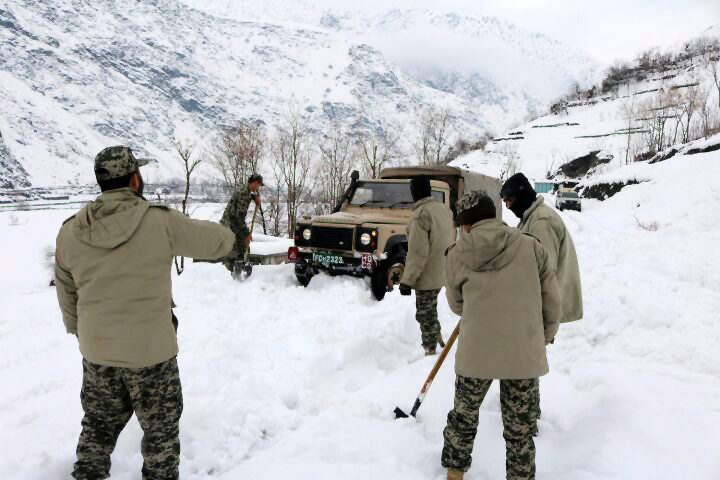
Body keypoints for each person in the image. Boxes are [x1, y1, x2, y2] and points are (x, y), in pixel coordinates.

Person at [54, 146, 235, 480]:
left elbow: (67, 293)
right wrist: (229, 232)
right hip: (152, 354)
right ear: (134, 178)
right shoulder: (159, 222)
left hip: (97, 351)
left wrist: (81, 332)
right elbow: (219, 243)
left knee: (97, 426)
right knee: (161, 435)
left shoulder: (70, 232)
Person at [442, 190, 562, 480]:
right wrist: (540, 338)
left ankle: (455, 473)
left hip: (475, 354)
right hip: (522, 353)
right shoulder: (531, 247)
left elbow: (457, 304)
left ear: (467, 224)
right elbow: (552, 302)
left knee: (464, 416)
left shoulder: (457, 254)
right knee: (519, 430)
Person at [500, 173, 583, 430]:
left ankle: (525, 423)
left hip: (536, 308)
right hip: (532, 306)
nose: (507, 206)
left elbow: (541, 273)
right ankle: (529, 415)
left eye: (510, 200)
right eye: (504, 201)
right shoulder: (531, 218)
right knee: (527, 363)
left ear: (522, 195)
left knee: (524, 364)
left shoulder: (541, 222)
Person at [399, 176, 455, 355]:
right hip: (441, 271)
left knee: (424, 314)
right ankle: (437, 337)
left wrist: (408, 280)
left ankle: (430, 351)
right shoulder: (443, 210)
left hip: (427, 274)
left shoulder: (421, 215)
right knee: (430, 309)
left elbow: (417, 252)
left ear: (415, 191)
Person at [220, 174, 263, 273]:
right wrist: (247, 234)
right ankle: (230, 275)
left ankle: (239, 270)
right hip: (230, 225)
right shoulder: (244, 194)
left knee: (242, 247)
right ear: (256, 183)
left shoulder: (246, 189)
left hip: (235, 224)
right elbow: (239, 217)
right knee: (233, 252)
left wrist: (255, 197)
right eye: (259, 185)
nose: (258, 188)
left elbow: (252, 194)